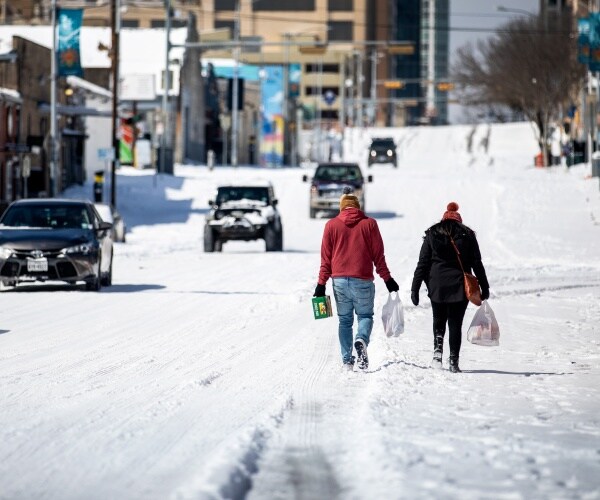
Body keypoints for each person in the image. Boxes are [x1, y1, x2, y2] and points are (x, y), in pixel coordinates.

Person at [314, 189, 399, 371]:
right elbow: (379, 257)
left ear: (342, 207)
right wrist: (388, 279)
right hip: (362, 280)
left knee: (344, 321)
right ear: (357, 207)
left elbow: (325, 260)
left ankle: (347, 361)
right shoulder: (370, 224)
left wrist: (321, 284)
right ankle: (361, 339)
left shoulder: (331, 225)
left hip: (339, 282)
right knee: (365, 316)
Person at [411, 202, 489, 373]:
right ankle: (454, 360)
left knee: (438, 320)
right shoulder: (468, 235)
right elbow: (477, 263)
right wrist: (484, 286)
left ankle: (437, 353)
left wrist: (415, 288)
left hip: (437, 285)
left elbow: (423, 263)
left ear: (444, 218)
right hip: (459, 286)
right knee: (455, 324)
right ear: (459, 220)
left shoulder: (432, 234)